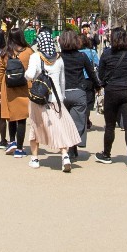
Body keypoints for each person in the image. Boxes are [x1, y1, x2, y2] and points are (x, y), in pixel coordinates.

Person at [24, 30, 81, 171]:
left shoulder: (36, 57)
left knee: (35, 127)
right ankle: (65, 155)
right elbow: (62, 81)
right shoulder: (59, 58)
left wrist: (27, 73)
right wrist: (61, 97)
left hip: (39, 99)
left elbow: (30, 75)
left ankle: (35, 158)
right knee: (59, 127)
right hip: (56, 99)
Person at [95, 27, 127, 169]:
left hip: (112, 90)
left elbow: (101, 75)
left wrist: (103, 84)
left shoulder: (107, 54)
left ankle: (107, 154)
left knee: (110, 126)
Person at [58, 30, 96, 165]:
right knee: (78, 122)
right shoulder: (82, 56)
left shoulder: (58, 57)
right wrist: (97, 86)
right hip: (78, 92)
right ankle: (73, 147)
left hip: (62, 93)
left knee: (63, 122)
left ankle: (66, 148)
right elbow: (91, 73)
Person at [0, 28, 33, 154]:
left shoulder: (5, 52)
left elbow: (0, 71)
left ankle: (12, 142)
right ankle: (20, 149)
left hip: (8, 86)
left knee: (11, 116)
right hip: (24, 86)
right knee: (22, 118)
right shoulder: (28, 51)